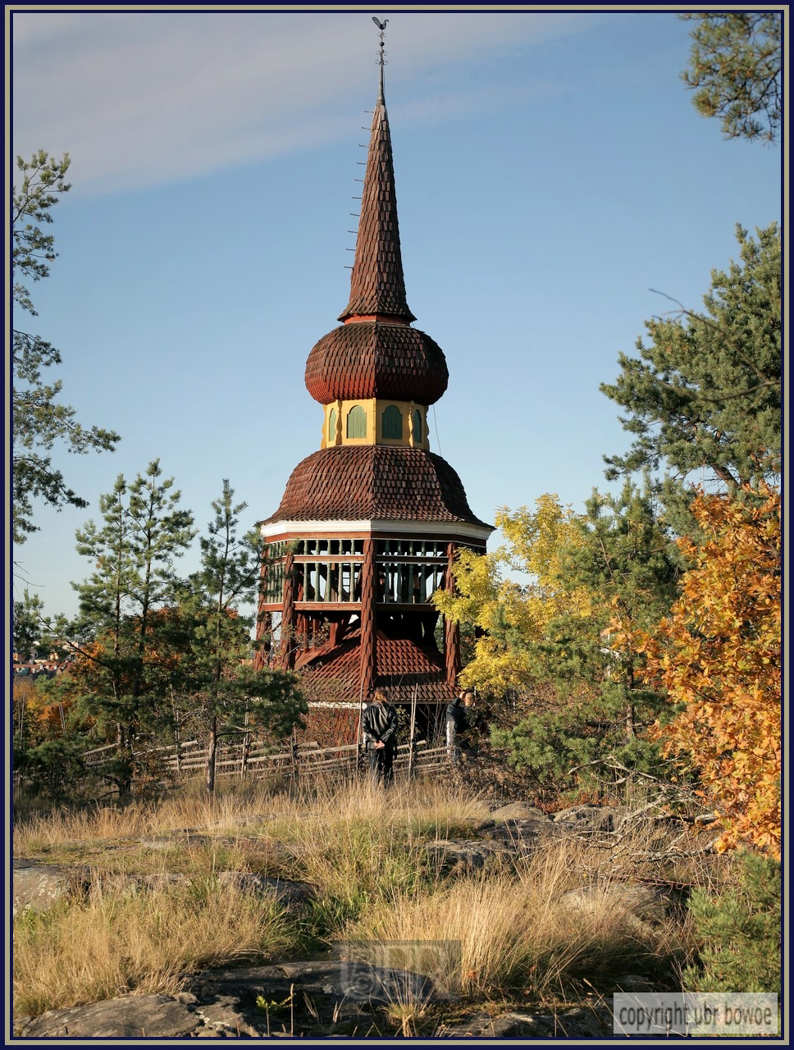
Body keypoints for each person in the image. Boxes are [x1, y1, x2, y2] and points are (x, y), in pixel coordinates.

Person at [362, 688, 398, 786]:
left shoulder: (367, 711)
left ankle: (374, 792)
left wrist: (376, 740)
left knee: (374, 769)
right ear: (385, 697)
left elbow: (365, 727)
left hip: (373, 745)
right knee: (388, 768)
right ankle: (388, 790)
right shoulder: (390, 710)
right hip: (388, 744)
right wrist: (383, 740)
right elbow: (393, 727)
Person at [446, 686, 475, 766]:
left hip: (459, 739)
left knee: (458, 763)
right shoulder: (477, 713)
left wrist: (459, 698)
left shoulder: (459, 711)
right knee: (472, 762)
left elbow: (450, 708)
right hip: (472, 741)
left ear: (464, 700)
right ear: (474, 701)